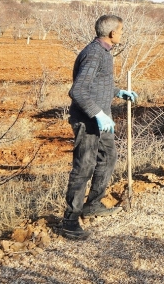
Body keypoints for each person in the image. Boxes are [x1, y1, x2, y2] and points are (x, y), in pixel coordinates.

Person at [60, 14, 137, 240]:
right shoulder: (94, 54)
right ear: (112, 33)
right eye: (121, 30)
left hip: (101, 120)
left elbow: (96, 83)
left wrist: (117, 92)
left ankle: (93, 204)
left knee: (108, 157)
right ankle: (70, 221)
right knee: (83, 167)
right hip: (87, 120)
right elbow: (78, 91)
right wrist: (98, 114)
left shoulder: (103, 51)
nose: (122, 34)